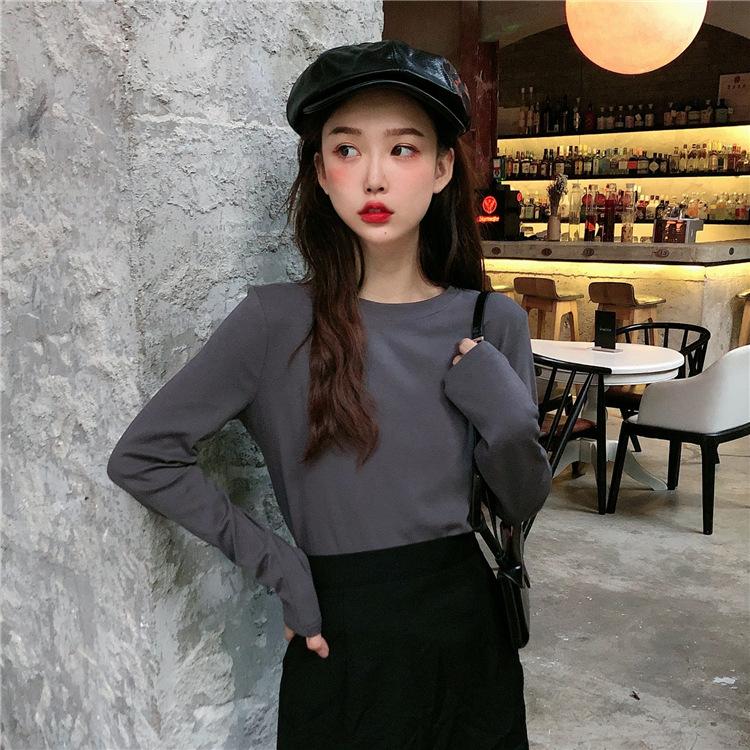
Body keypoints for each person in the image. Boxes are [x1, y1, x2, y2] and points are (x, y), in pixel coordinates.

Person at [107, 39, 552, 750]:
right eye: (347, 150)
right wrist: (279, 564)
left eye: (403, 149)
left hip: (468, 633)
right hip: (341, 640)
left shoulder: (489, 322)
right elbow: (144, 456)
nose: (374, 176)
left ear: (442, 168)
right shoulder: (274, 323)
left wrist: (508, 419)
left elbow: (520, 503)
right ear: (320, 171)